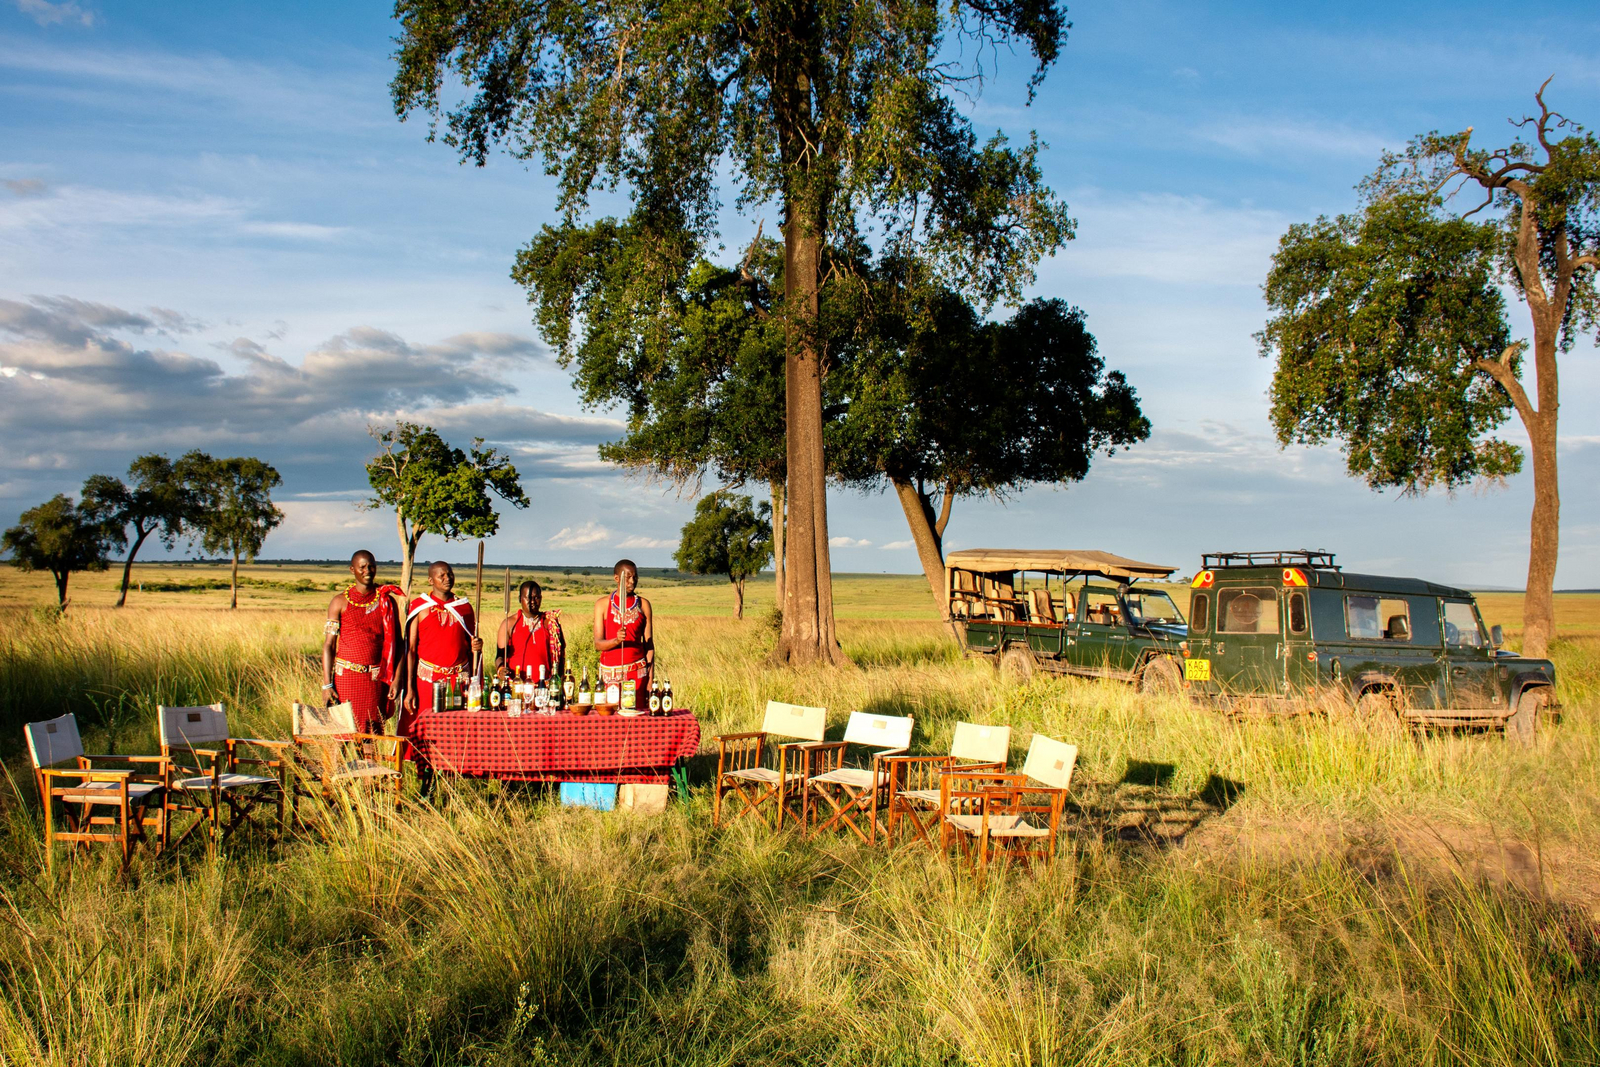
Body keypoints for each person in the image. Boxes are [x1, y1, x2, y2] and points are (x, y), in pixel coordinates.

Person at [320, 550, 404, 732]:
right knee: (342, 736)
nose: (368, 571)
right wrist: (327, 684)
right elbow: (329, 645)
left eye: (371, 566)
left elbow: (399, 643)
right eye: (362, 567)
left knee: (371, 735)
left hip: (376, 680)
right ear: (352, 570)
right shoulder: (339, 602)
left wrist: (397, 679)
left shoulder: (387, 601)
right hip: (345, 678)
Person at [400, 561, 482, 736]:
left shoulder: (464, 607)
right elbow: (411, 649)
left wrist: (477, 646)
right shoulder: (419, 607)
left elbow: (471, 645)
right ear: (431, 580)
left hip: (459, 681)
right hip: (428, 680)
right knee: (427, 729)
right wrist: (409, 688)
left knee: (457, 729)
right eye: (442, 576)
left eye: (450, 574)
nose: (447, 578)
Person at [593, 558, 653, 708]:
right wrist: (616, 640)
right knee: (610, 716)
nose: (632, 581)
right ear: (616, 578)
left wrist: (650, 679)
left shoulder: (643, 604)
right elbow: (598, 644)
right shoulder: (602, 604)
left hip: (637, 672)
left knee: (637, 715)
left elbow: (649, 645)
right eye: (628, 577)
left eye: (635, 577)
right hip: (610, 674)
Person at [497, 580, 565, 688]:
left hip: (545, 686)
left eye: (536, 597)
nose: (532, 601)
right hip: (516, 686)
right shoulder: (509, 624)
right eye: (528, 598)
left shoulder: (550, 623)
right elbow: (500, 655)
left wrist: (559, 683)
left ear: (541, 598)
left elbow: (560, 657)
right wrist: (500, 669)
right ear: (520, 599)